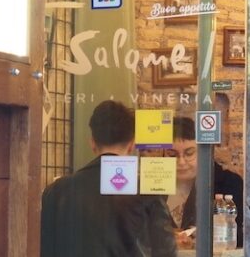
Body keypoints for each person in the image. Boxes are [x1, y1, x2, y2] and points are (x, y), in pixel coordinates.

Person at [41, 100, 177, 257]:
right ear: (132, 144)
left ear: (92, 143)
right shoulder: (147, 189)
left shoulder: (57, 191)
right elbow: (165, 250)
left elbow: (44, 247)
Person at [165, 116, 244, 249]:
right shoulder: (151, 185)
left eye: (189, 153)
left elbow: (238, 237)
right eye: (172, 155)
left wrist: (197, 240)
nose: (181, 162)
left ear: (204, 152)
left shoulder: (228, 184)